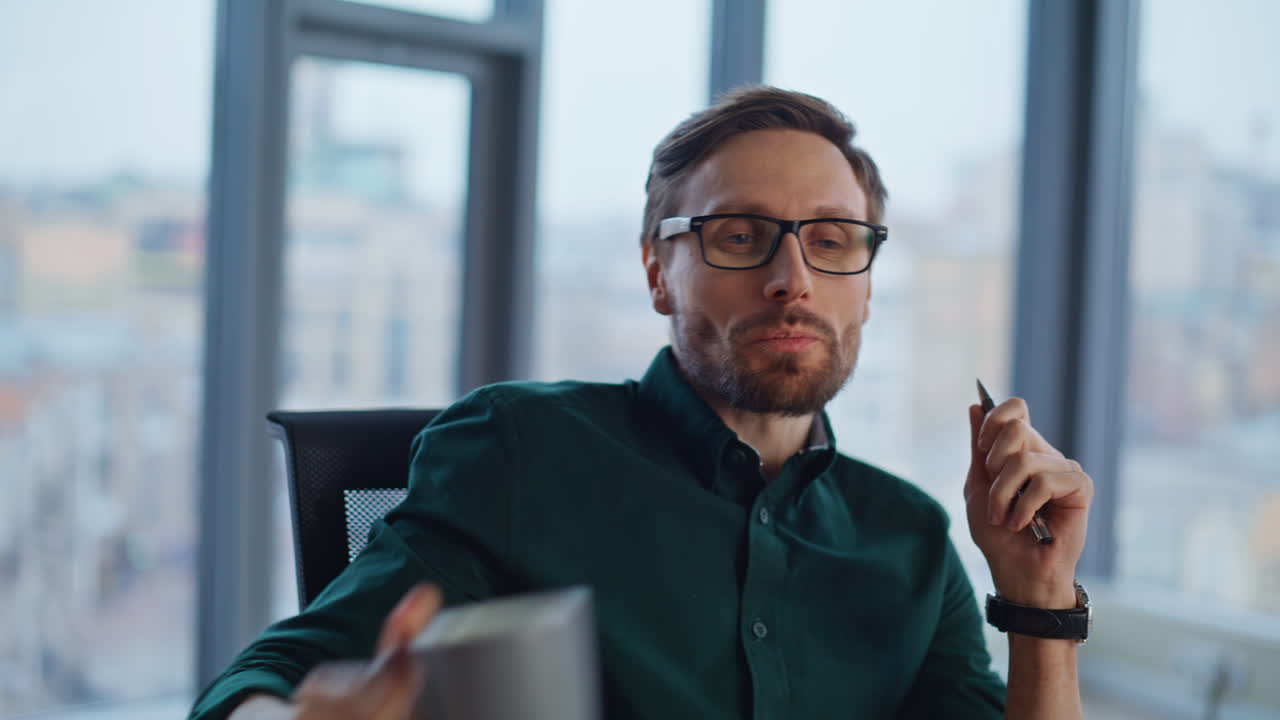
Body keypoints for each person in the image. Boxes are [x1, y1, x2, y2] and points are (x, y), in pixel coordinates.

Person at [192, 86, 1094, 720]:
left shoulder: (908, 538)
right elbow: (269, 677)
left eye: (832, 241)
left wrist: (1039, 599)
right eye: (740, 237)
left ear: (867, 283)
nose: (793, 279)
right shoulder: (521, 451)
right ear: (658, 271)